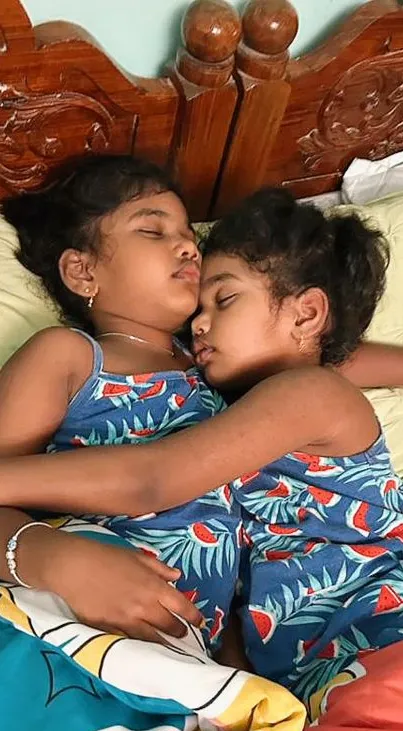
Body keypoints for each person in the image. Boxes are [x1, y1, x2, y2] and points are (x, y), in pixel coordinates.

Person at [2, 181, 403, 694]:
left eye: (224, 299)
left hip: (367, 638)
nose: (202, 325)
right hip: (275, 675)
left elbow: (156, 478)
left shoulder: (289, 390)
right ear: (82, 269)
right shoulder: (205, 377)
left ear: (306, 314)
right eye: (152, 228)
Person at [0, 154, 242, 649]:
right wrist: (55, 559)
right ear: (82, 271)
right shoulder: (70, 357)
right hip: (67, 616)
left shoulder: (216, 361)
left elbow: (324, 353)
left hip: (187, 654)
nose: (187, 248)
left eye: (192, 238)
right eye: (153, 232)